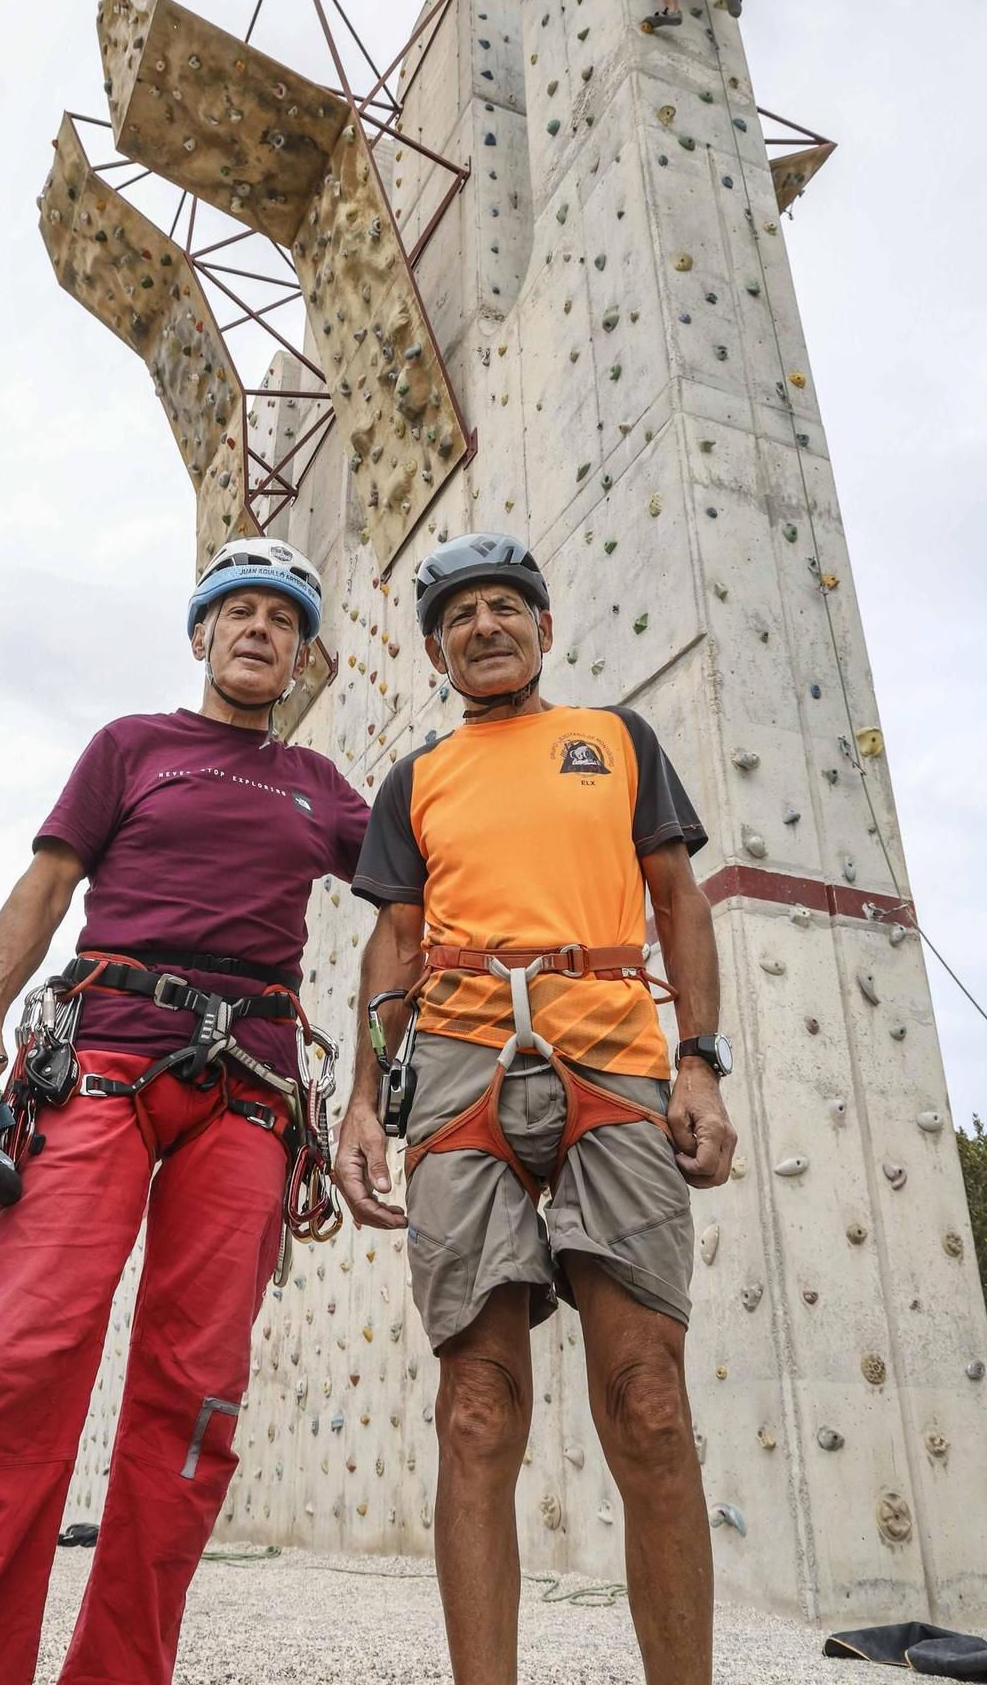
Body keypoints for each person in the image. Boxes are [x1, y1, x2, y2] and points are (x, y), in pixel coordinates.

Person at [0, 536, 369, 1685]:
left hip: (249, 1097)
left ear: (302, 657)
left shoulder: (323, 788)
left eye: (283, 620)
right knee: (17, 1366)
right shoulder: (130, 747)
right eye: (239, 611)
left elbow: (419, 891)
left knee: (195, 1402)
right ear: (199, 633)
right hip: (100, 1058)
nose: (260, 630)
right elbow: (49, 881)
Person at [334, 531, 736, 1685]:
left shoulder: (615, 740)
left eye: (506, 606)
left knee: (648, 1400)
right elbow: (394, 940)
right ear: (434, 649)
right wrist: (365, 1096)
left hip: (612, 1055)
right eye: (459, 617)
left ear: (545, 627)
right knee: (475, 1404)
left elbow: (677, 897)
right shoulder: (416, 778)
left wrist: (698, 1062)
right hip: (458, 1059)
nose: (485, 626)